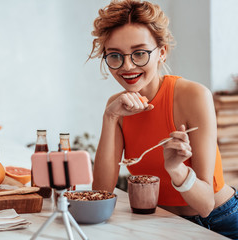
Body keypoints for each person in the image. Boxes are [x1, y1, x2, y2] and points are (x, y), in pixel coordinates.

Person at [89, 0, 238, 238]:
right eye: (115, 55)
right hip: (163, 223)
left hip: (220, 221)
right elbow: (100, 194)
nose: (127, 66)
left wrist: (176, 169)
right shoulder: (115, 107)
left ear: (162, 52)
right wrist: (110, 117)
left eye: (139, 53)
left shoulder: (194, 96)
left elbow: (205, 204)